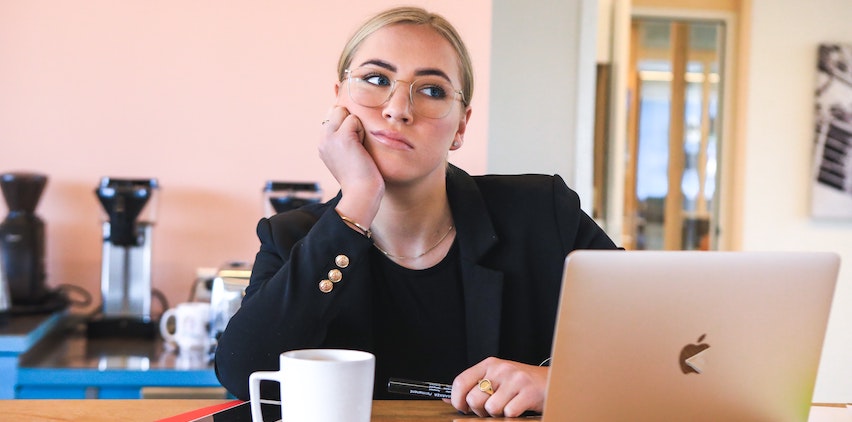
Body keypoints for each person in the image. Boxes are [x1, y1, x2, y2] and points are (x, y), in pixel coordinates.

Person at [214, 6, 618, 418]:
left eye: (432, 90)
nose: (398, 109)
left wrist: (559, 382)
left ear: (461, 126)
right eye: (376, 80)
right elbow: (243, 372)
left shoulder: (542, 213)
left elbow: (664, 345)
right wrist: (357, 201)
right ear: (338, 100)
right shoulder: (291, 237)